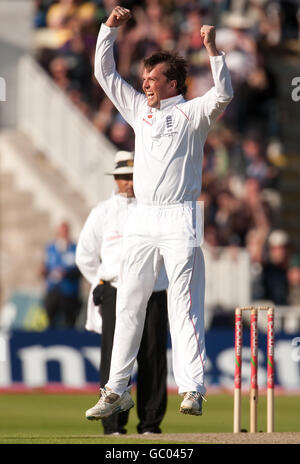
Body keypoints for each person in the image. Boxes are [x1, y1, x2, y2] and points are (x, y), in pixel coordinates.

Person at [89, 5, 233, 418]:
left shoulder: (193, 113)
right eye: (145, 78)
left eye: (153, 79)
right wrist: (107, 30)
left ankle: (193, 389)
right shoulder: (140, 110)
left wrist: (213, 51)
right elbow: (105, 76)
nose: (145, 84)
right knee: (128, 302)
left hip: (179, 216)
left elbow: (223, 93)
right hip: (143, 216)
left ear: (173, 84)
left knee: (182, 305)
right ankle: (116, 389)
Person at [75, 150, 168, 435]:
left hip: (152, 290)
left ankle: (150, 424)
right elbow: (85, 256)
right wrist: (99, 282)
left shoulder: (153, 210)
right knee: (115, 357)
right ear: (115, 179)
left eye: (132, 177)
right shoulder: (102, 212)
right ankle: (113, 424)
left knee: (152, 356)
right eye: (124, 177)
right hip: (116, 289)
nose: (128, 182)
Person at [42, 221, 82, 328]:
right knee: (50, 320)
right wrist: (44, 271)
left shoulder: (75, 248)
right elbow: (46, 266)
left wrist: (67, 273)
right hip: (53, 290)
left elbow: (80, 269)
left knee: (69, 322)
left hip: (70, 292)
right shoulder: (51, 248)